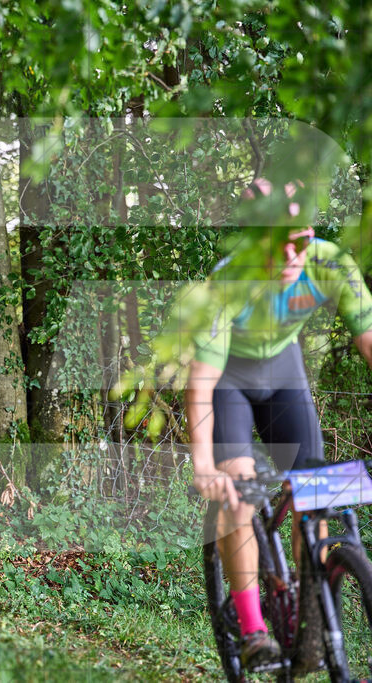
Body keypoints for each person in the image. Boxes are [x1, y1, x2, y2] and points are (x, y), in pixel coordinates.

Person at [187, 178, 372, 669]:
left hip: (284, 372)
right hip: (229, 380)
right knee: (237, 487)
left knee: (315, 494)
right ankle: (252, 628)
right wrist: (205, 463)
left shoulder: (331, 263)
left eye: (301, 238)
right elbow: (201, 383)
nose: (292, 252)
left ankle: (310, 608)